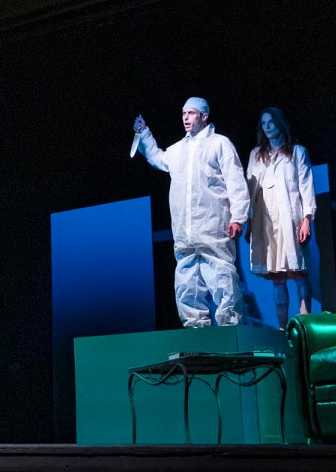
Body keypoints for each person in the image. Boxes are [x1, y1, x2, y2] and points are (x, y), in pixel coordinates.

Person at [134, 96, 250, 327]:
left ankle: (231, 331)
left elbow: (235, 181)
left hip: (213, 226)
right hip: (185, 231)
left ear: (204, 116)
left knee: (222, 277)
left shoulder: (219, 144)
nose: (186, 118)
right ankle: (197, 334)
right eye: (184, 113)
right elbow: (158, 158)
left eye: (192, 113)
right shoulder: (178, 150)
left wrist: (238, 216)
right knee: (187, 284)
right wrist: (145, 134)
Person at [246, 106, 316, 329]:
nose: (267, 126)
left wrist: (307, 218)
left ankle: (305, 324)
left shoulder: (297, 152)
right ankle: (282, 329)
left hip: (291, 219)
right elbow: (250, 190)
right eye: (263, 123)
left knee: (298, 271)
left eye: (270, 122)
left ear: (280, 123)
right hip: (267, 222)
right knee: (277, 274)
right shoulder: (257, 156)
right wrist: (248, 222)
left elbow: (306, 186)